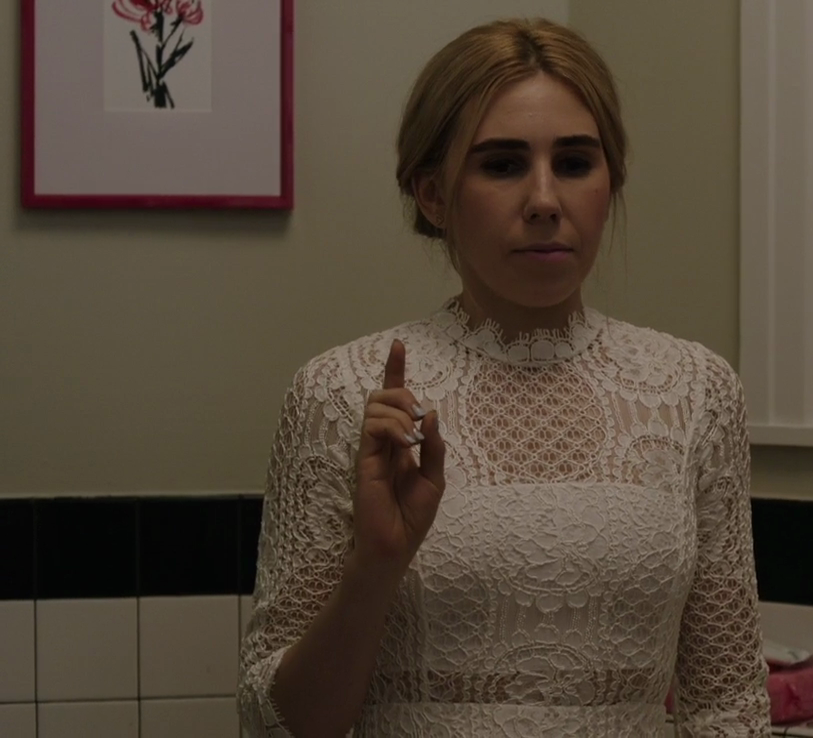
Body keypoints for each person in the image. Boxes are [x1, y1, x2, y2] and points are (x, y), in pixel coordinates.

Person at [238, 16, 771, 738]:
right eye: (502, 165)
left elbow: (731, 709)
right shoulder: (342, 393)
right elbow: (277, 725)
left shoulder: (695, 391)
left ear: (610, 183)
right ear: (433, 194)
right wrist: (377, 565)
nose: (545, 199)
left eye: (575, 163)